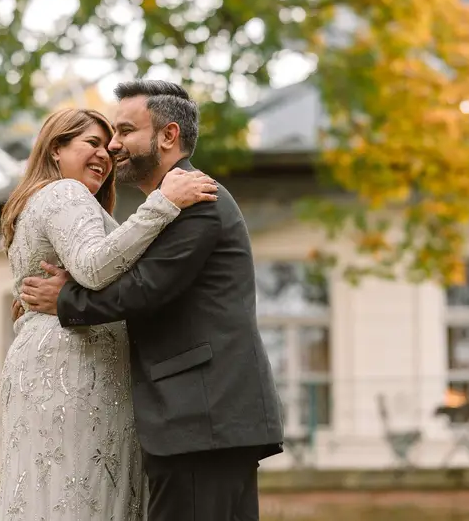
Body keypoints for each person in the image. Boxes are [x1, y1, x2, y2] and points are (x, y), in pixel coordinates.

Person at [17, 80, 284, 521]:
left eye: (125, 131)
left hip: (203, 420)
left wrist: (65, 299)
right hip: (199, 424)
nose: (114, 145)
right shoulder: (172, 206)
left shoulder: (199, 200)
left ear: (168, 136)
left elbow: (144, 288)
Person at [0, 106, 218, 521]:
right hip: (74, 365)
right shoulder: (65, 192)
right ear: (56, 149)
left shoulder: (40, 202)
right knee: (81, 494)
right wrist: (163, 203)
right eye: (91, 143)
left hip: (51, 360)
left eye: (108, 149)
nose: (104, 155)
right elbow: (95, 267)